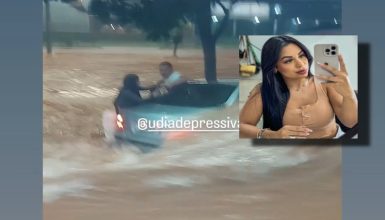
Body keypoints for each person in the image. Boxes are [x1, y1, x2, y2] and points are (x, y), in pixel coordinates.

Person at [239, 36, 358, 139]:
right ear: (275, 67)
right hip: (289, 156)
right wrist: (270, 135)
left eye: (301, 56)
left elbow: (351, 122)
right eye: (288, 61)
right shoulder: (264, 91)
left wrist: (349, 96)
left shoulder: (326, 83)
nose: (301, 64)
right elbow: (241, 127)